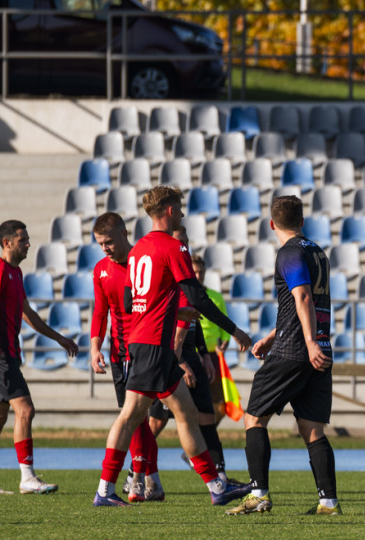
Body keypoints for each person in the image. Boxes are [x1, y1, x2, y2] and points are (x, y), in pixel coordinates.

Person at [93, 185, 253, 507]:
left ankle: (216, 487)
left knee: (186, 412)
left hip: (150, 343)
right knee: (130, 417)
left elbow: (129, 300)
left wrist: (168, 310)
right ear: (169, 210)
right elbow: (196, 296)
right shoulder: (172, 246)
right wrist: (234, 330)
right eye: (179, 209)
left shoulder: (138, 249)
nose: (181, 214)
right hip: (152, 345)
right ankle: (105, 491)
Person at [226, 195, 337, 516]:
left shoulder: (287, 253)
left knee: (253, 418)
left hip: (297, 349)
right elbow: (305, 305)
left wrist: (307, 342)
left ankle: (259, 494)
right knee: (312, 429)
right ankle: (328, 503)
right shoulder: (317, 252)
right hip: (316, 348)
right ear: (302, 222)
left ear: (272, 224)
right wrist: (271, 337)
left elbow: (302, 297)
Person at [0, 220, 78, 495]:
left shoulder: (15, 274)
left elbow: (28, 315)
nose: (28, 243)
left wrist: (60, 338)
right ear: (7, 243)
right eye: (23, 240)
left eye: (28, 239)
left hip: (7, 354)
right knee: (26, 410)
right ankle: (27, 477)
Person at [142, 224, 245, 493]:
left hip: (192, 355)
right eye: (181, 240)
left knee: (206, 415)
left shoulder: (190, 282)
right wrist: (178, 362)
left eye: (187, 240)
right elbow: (165, 324)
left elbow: (195, 323)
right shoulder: (169, 278)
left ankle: (220, 477)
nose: (185, 244)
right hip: (167, 358)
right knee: (155, 421)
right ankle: (138, 472)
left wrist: (202, 355)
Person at [89, 212, 163, 502]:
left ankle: (138, 479)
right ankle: (150, 480)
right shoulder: (100, 270)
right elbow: (100, 312)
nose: (105, 248)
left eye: (108, 242)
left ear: (124, 233)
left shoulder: (142, 263)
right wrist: (95, 347)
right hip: (119, 354)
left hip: (146, 349)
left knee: (136, 417)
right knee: (137, 418)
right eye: (100, 244)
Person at [192, 254, 230, 424]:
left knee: (222, 404)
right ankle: (197, 441)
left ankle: (207, 438)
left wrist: (225, 341)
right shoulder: (186, 297)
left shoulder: (216, 297)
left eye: (200, 272)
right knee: (192, 403)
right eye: (195, 273)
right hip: (193, 356)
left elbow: (225, 324)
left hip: (214, 356)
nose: (198, 276)